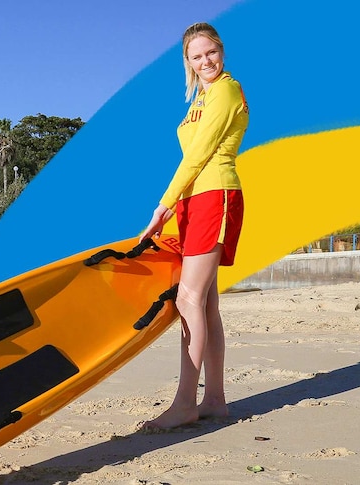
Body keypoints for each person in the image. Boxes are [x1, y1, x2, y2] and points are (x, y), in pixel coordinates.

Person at [138, 22, 249, 431]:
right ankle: (215, 400)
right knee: (206, 304)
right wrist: (176, 205)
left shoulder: (225, 90)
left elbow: (200, 154)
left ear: (222, 51)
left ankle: (185, 403)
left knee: (188, 299)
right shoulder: (201, 97)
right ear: (187, 62)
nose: (206, 61)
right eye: (196, 56)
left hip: (213, 195)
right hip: (195, 200)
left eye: (211, 52)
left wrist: (163, 207)